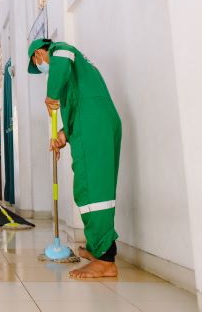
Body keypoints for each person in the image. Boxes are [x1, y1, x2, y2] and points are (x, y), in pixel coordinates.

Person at [28, 38, 121, 279]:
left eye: (37, 63)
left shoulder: (61, 51)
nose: (41, 69)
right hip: (93, 125)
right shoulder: (76, 73)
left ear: (39, 53)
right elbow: (78, 106)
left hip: (92, 127)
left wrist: (50, 94)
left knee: (92, 192)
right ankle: (96, 247)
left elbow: (62, 57)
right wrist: (62, 135)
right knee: (93, 187)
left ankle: (105, 259)